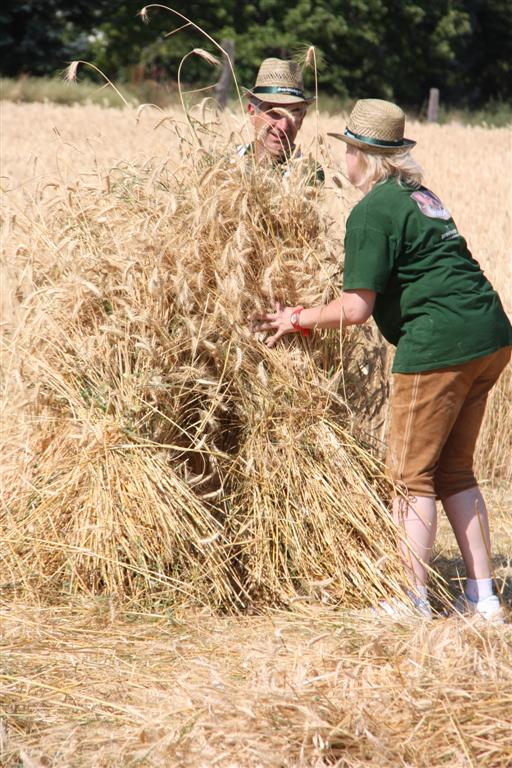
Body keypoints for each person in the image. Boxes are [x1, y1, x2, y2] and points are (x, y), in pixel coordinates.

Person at [251, 98, 512, 621]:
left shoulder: (371, 211)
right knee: (455, 471)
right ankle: (483, 599)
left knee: (408, 476)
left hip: (438, 345)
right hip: (491, 335)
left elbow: (354, 308)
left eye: (348, 149)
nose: (344, 160)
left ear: (362, 156)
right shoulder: (419, 195)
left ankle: (411, 600)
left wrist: (296, 318)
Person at [238, 57, 324, 184]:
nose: (283, 126)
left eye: (293, 113)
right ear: (252, 112)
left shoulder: (308, 171)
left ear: (302, 119)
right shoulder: (222, 162)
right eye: (273, 111)